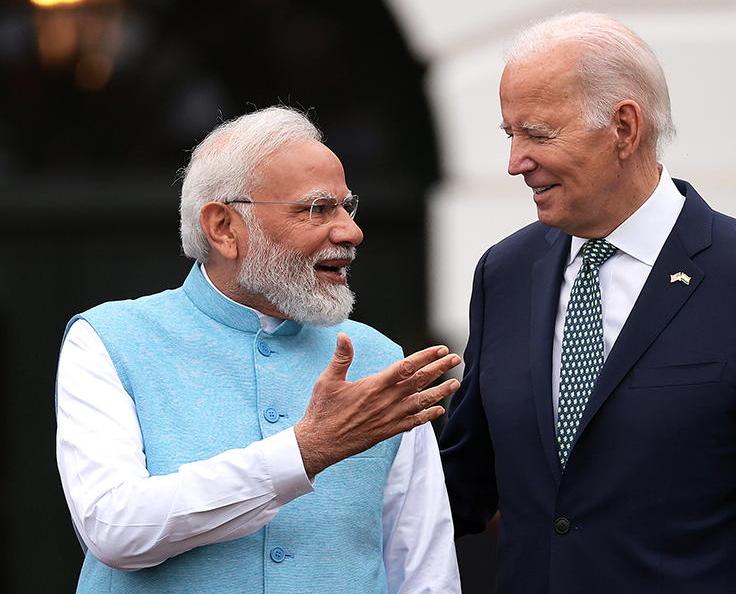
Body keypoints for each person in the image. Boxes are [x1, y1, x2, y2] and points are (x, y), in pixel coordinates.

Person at [439, 11, 736, 593]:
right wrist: (314, 459)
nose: (515, 161)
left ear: (624, 128)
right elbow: (458, 486)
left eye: (537, 134)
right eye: (509, 134)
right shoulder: (504, 274)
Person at [56, 105, 462, 593]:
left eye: (345, 206)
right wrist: (305, 451)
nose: (350, 231)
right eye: (317, 209)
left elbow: (424, 571)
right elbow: (115, 529)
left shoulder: (380, 360)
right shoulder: (110, 339)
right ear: (224, 227)